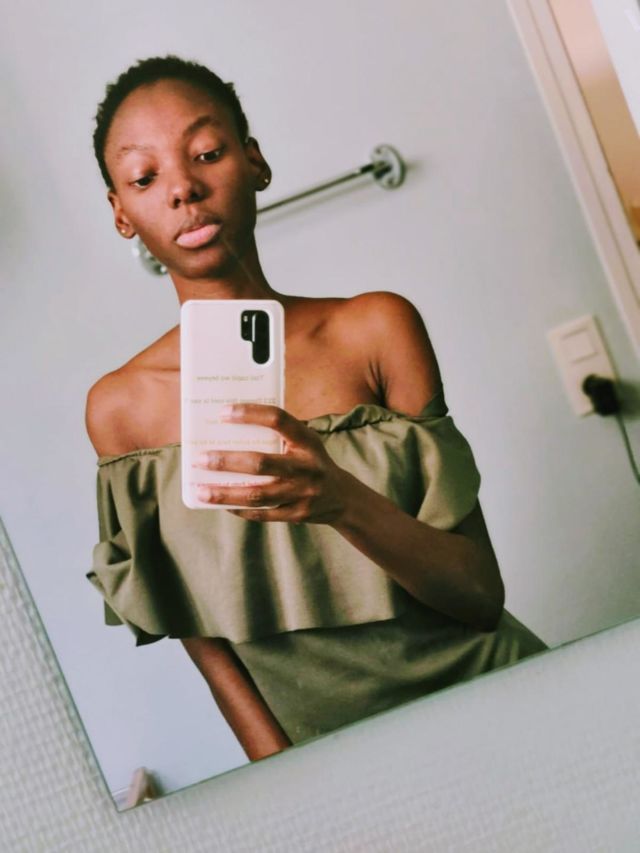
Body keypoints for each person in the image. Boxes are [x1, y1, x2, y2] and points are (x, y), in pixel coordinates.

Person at [86, 55, 547, 763]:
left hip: (513, 707)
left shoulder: (377, 330)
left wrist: (340, 499)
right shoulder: (121, 412)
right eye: (144, 177)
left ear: (255, 162)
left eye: (206, 153)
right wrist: (295, 791)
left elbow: (479, 595)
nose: (182, 188)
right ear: (121, 212)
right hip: (336, 770)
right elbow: (208, 648)